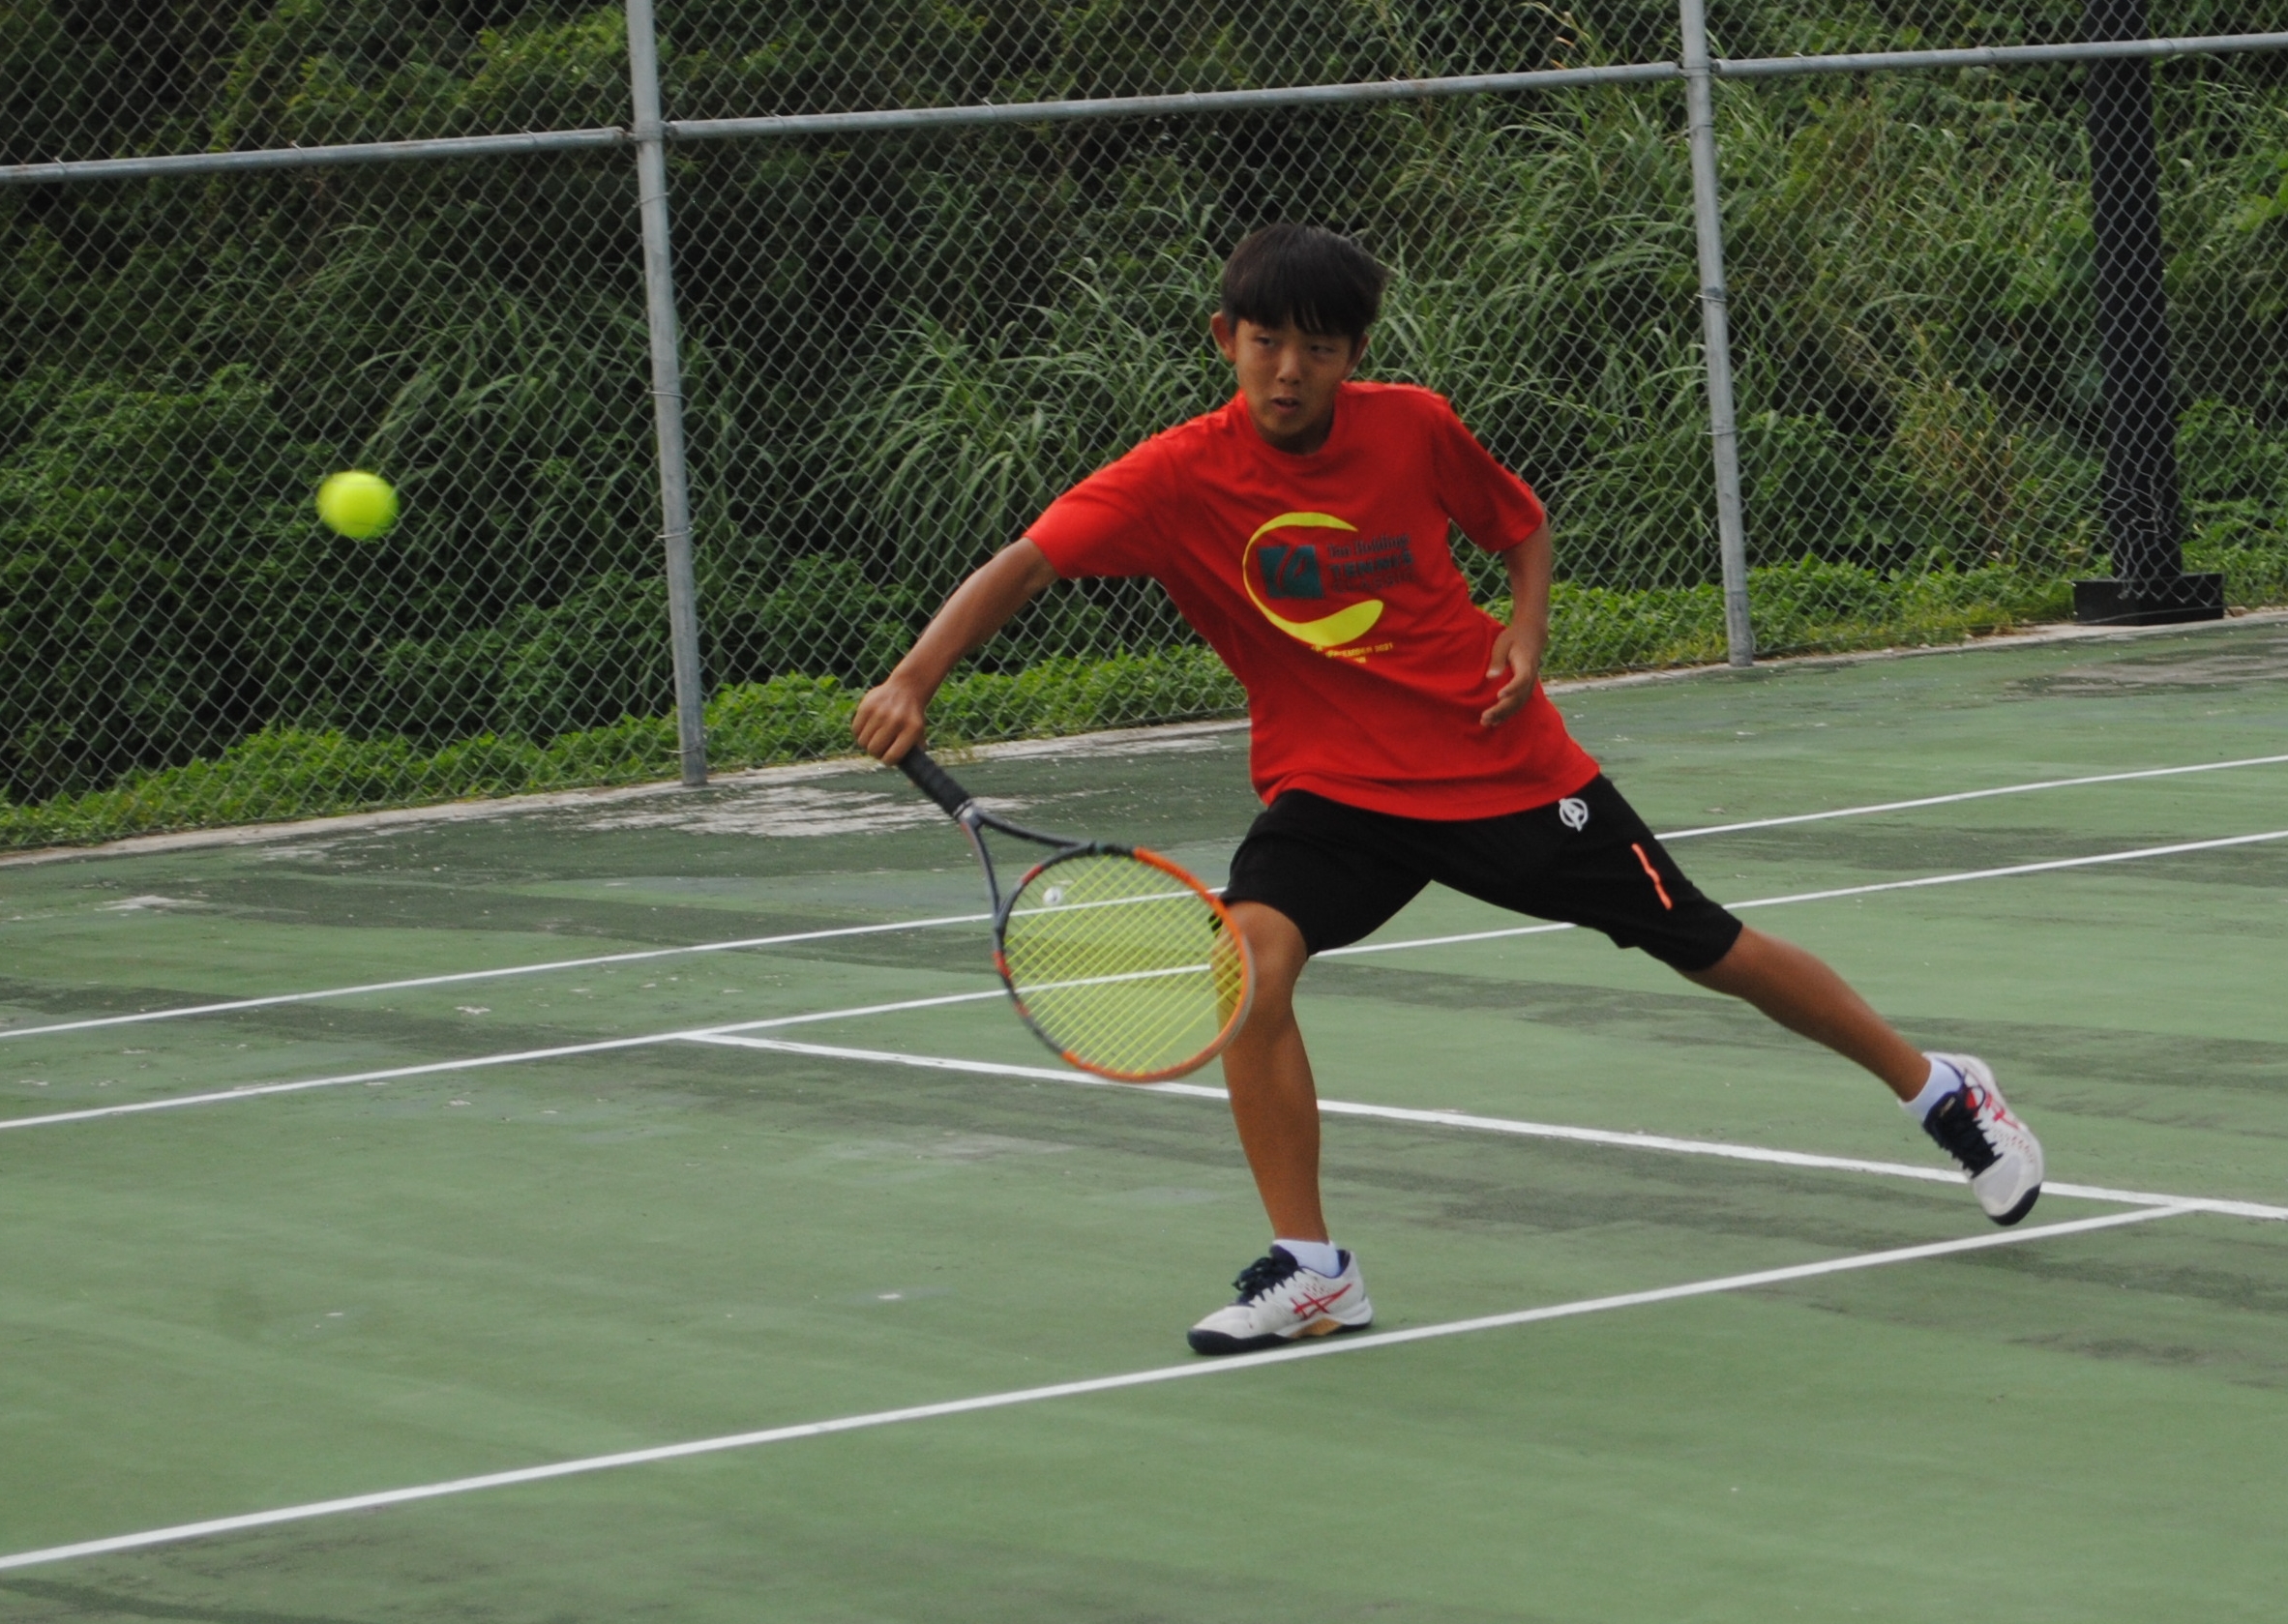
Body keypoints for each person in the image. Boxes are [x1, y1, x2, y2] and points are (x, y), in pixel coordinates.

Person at [852, 223, 2043, 1356]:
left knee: (1708, 944)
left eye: (1318, 348)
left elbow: (1519, 525)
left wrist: (1526, 637)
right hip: (1335, 789)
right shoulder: (1173, 478)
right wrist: (914, 677)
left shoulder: (1412, 428)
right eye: (1266, 342)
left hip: (1499, 764)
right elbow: (1022, 562)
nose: (1288, 370)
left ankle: (1941, 1091)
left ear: (1352, 357)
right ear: (1225, 339)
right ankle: (1311, 1263)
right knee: (1245, 967)